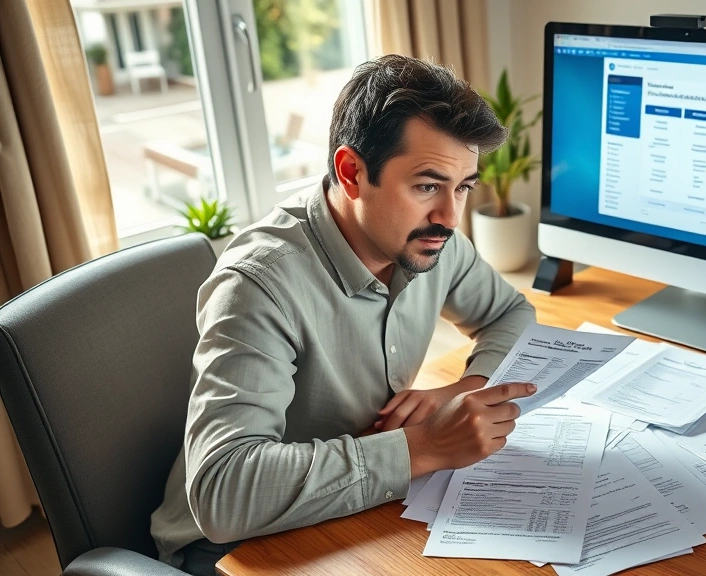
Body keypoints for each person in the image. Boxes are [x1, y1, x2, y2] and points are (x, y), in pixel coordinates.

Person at [150, 54, 537, 575]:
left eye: (463, 186)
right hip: (232, 552)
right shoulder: (258, 284)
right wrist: (422, 446)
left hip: (351, 515)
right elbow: (224, 493)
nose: (449, 216)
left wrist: (460, 389)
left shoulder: (430, 238)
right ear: (352, 173)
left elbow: (512, 313)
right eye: (427, 185)